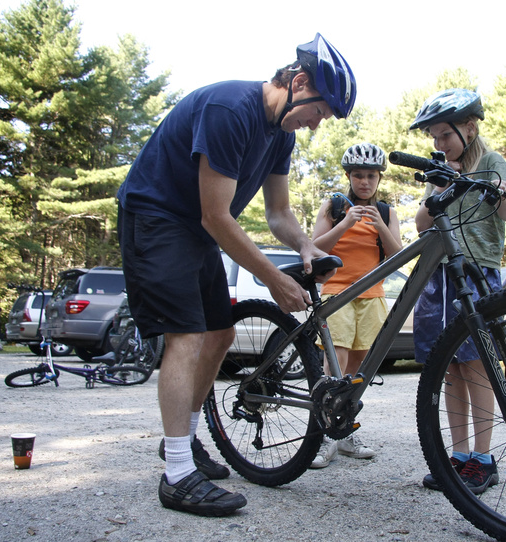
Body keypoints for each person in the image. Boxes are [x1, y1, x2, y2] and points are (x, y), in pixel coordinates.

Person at [116, 33, 356, 517]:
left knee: (220, 334)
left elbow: (279, 214)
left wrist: (305, 245)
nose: (315, 125)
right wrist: (272, 276)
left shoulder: (280, 135)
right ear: (299, 82)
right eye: (320, 111)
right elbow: (216, 215)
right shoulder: (231, 109)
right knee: (186, 335)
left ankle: (182, 443)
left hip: (195, 230)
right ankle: (178, 477)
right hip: (158, 219)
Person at [410, 88, 506, 495]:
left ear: (469, 127)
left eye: (445, 135)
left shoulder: (492, 161)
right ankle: (458, 457)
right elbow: (422, 224)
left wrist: (494, 187)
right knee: (449, 369)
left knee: (478, 367)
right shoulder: (441, 168)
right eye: (434, 138)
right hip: (439, 276)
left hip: (476, 272)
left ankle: (483, 459)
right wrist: (439, 188)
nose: (439, 145)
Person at [308, 143, 402, 468]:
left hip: (372, 295)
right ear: (349, 177)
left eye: (371, 176)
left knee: (359, 371)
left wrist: (379, 226)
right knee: (336, 364)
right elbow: (313, 248)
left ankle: (344, 430)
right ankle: (323, 437)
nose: (365, 182)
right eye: (358, 175)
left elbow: (397, 256)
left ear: (378, 178)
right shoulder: (335, 206)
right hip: (337, 293)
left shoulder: (387, 212)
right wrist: (345, 224)